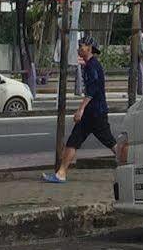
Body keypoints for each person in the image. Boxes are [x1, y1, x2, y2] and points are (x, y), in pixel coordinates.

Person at [43, 37, 128, 183]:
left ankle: (128, 167)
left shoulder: (92, 66)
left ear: (89, 48)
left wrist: (81, 109)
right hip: (94, 112)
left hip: (94, 112)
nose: (79, 49)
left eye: (81, 46)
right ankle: (61, 173)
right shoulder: (91, 65)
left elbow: (93, 89)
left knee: (105, 141)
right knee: (77, 140)